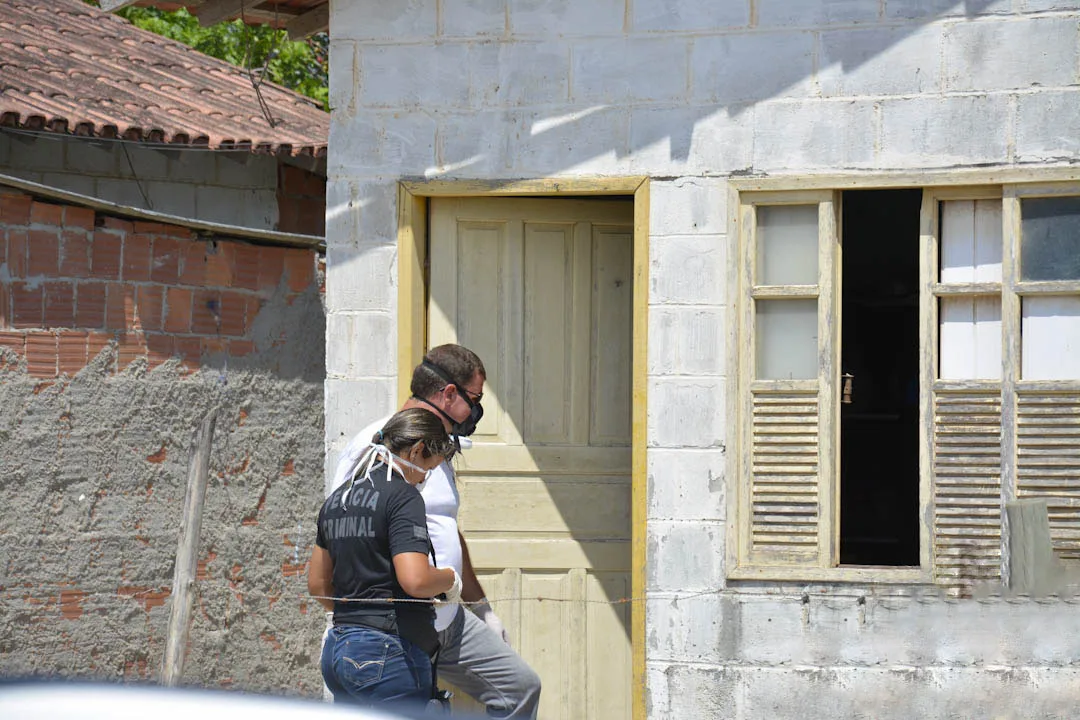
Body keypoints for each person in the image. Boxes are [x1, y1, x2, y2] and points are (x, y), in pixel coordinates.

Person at [333, 344, 542, 719]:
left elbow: (446, 529)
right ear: (448, 394)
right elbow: (347, 528)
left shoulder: (436, 449)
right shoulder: (376, 448)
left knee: (520, 689)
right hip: (398, 625)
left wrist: (481, 607)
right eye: (473, 400)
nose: (475, 412)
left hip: (448, 619)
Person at [309, 408, 462, 710]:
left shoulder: (338, 498)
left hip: (340, 650)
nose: (423, 478)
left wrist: (358, 614)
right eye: (428, 468)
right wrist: (448, 579)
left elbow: (319, 586)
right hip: (387, 655)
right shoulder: (402, 496)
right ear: (417, 451)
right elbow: (415, 580)